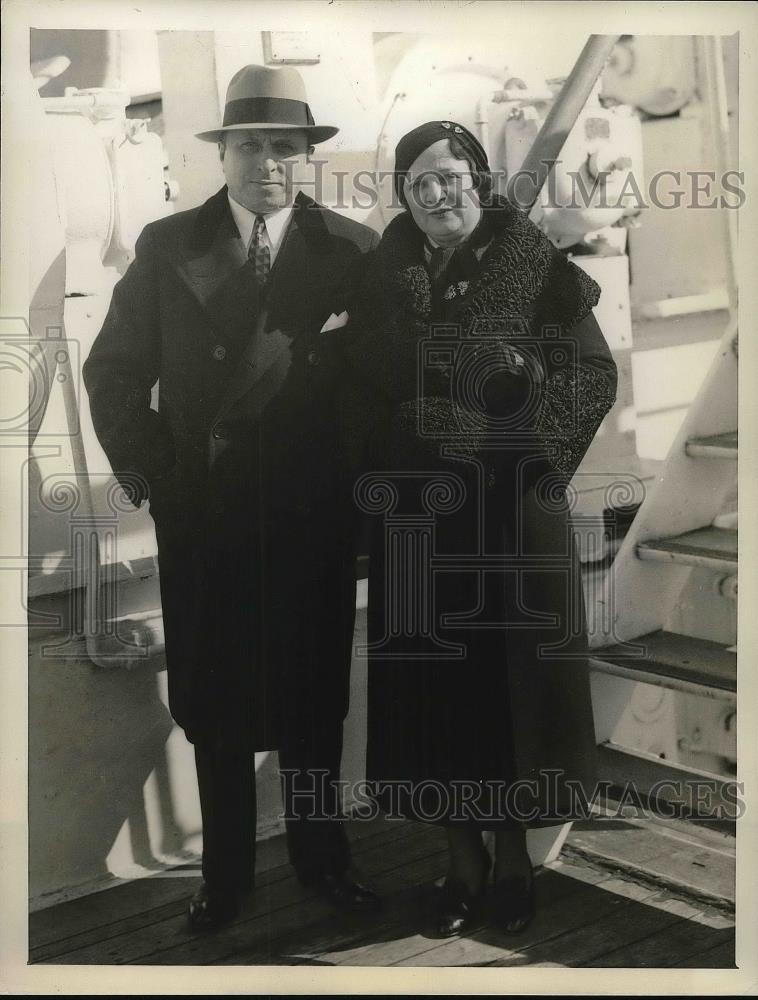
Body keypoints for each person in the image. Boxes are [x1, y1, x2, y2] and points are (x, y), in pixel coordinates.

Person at [83, 64, 381, 931]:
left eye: (284, 147)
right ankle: (226, 879)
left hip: (309, 519)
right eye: (250, 145)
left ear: (306, 157)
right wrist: (160, 481)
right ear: (224, 154)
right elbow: (112, 374)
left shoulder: (351, 250)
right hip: (205, 517)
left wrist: (352, 498)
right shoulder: (168, 244)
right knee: (215, 702)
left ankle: (325, 862)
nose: (268, 164)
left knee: (313, 697)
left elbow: (374, 389)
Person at [339, 121, 618, 936]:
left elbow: (589, 373)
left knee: (510, 692)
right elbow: (351, 393)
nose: (436, 194)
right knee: (435, 694)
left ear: (479, 179)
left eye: (450, 177)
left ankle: (515, 864)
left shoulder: (532, 267)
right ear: (404, 195)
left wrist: (518, 444)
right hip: (419, 520)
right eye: (419, 182)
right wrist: (400, 438)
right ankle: (460, 861)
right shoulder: (381, 278)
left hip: (509, 513)